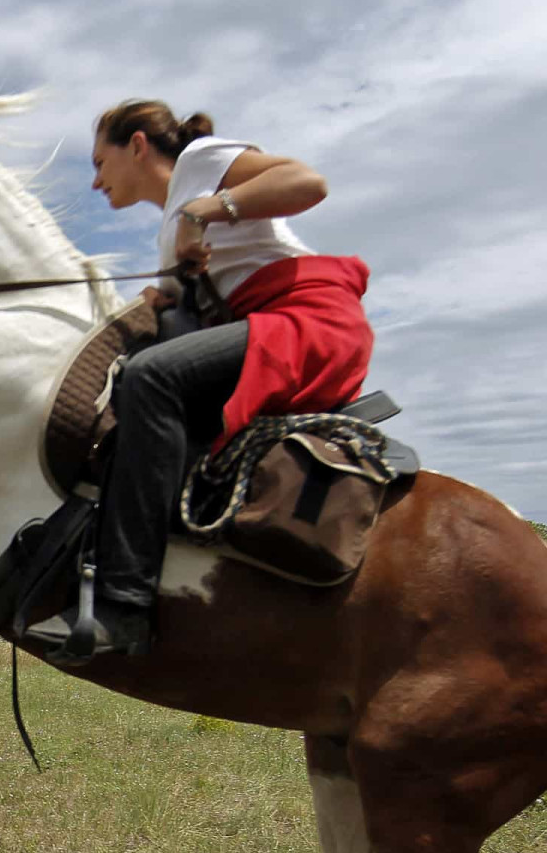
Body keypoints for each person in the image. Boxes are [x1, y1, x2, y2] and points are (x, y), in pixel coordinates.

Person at [36, 100, 372, 663]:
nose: (94, 180)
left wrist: (204, 210)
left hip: (307, 321)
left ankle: (125, 605)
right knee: (134, 394)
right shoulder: (170, 233)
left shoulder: (199, 163)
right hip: (267, 326)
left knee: (151, 379)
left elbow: (307, 181)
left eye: (99, 161)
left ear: (138, 145)